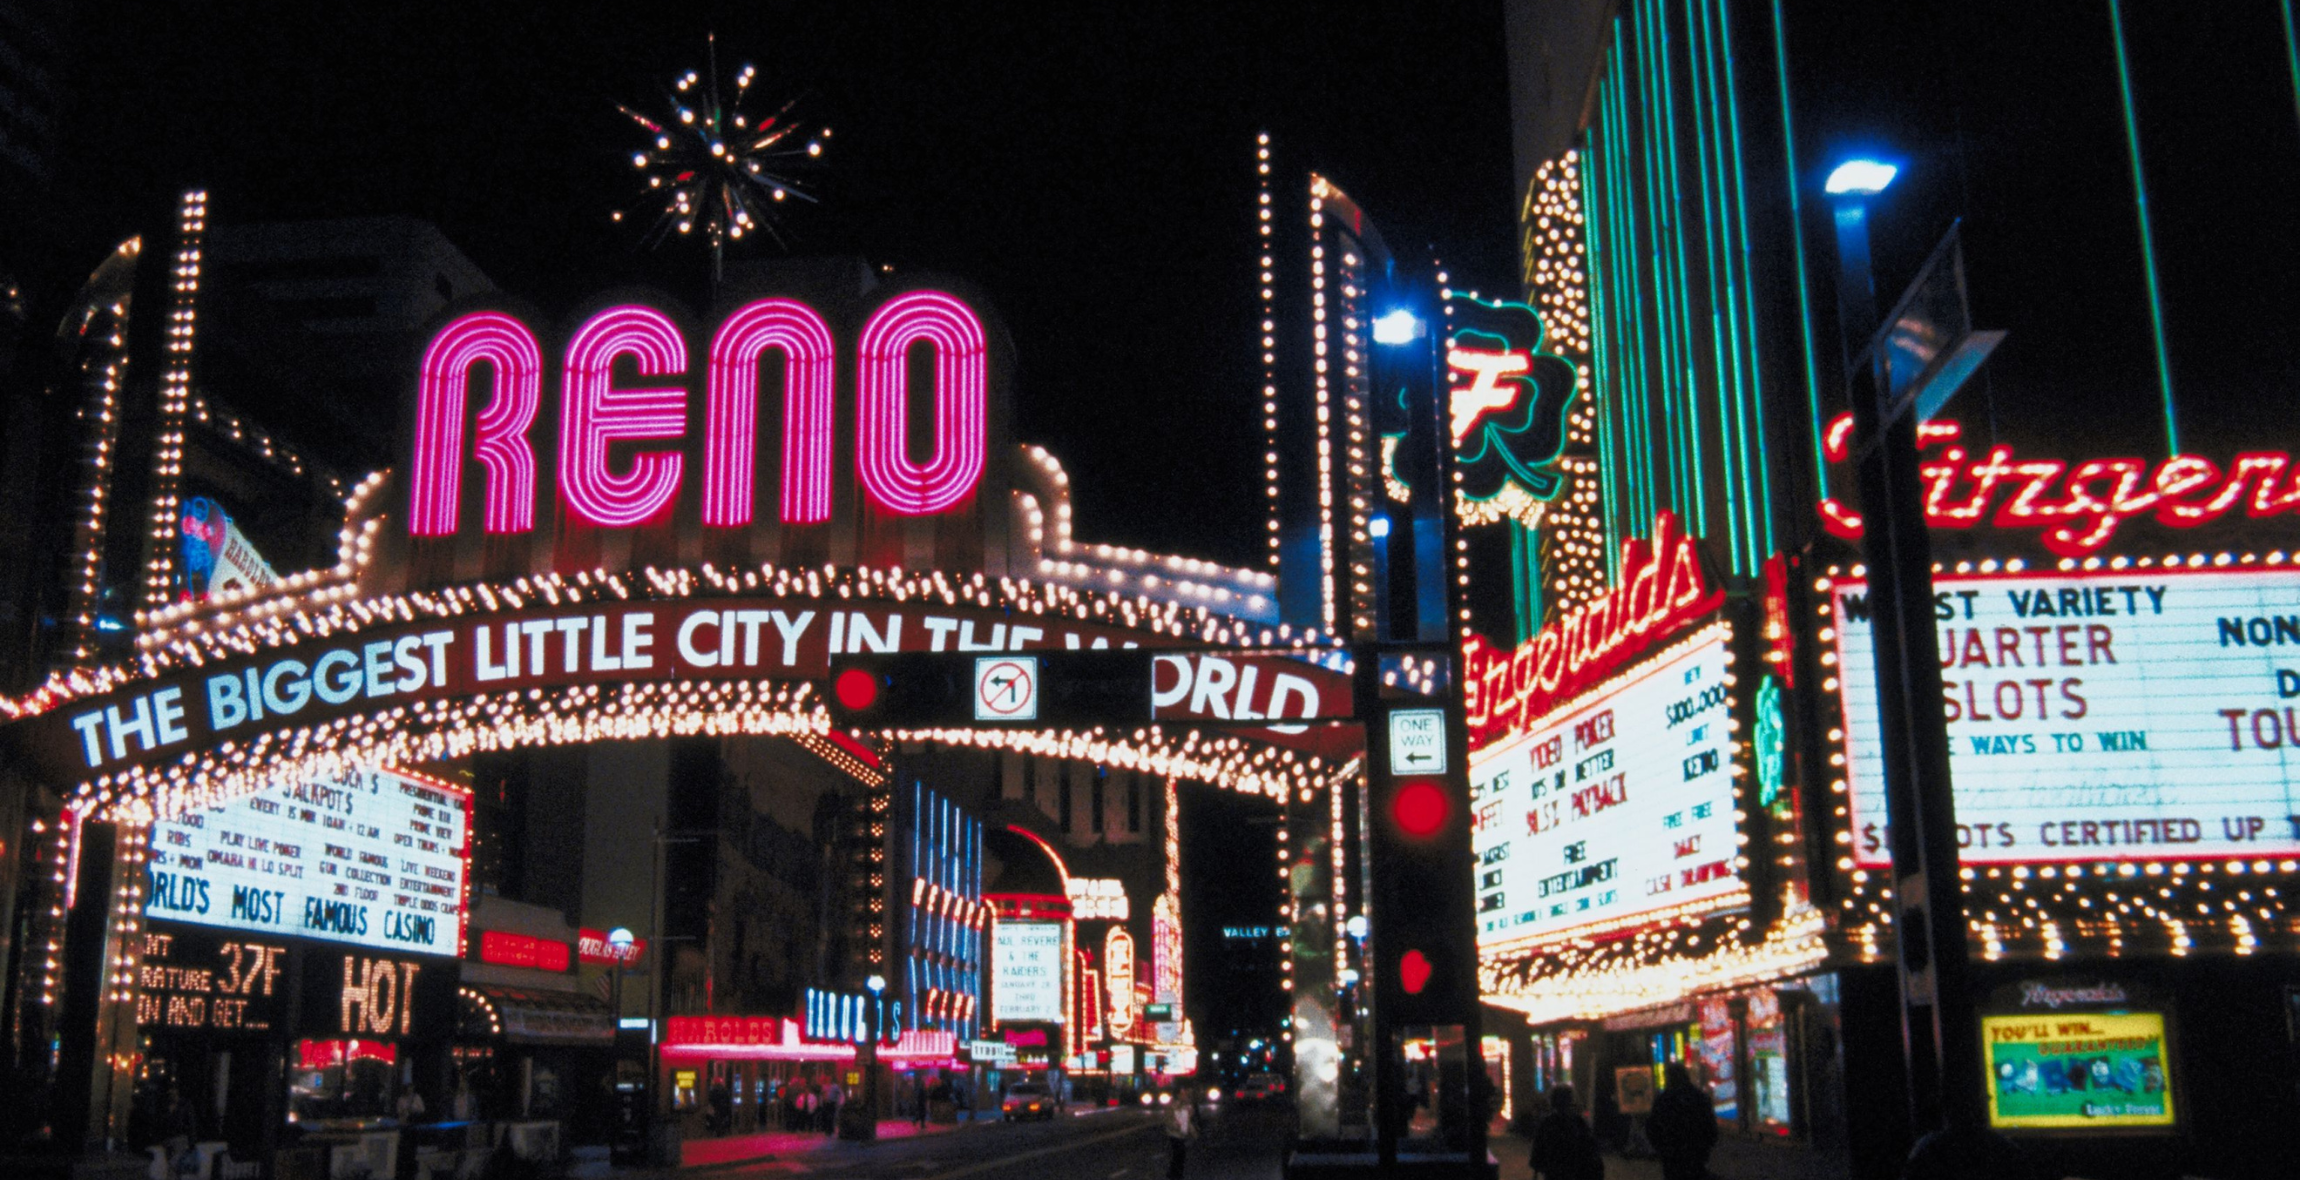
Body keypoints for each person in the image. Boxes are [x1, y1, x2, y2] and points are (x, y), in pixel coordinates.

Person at [1646, 1064, 1719, 1180]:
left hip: (1672, 1154)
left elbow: (1653, 1127)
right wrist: (1706, 1145)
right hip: (1696, 1153)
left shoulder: (1664, 1100)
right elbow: (1710, 1125)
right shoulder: (1699, 1097)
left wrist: (1661, 1148)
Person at [1530, 1085, 1604, 1180]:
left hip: (1553, 1172)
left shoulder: (1547, 1122)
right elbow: (1590, 1148)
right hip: (1575, 1171)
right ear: (1570, 1100)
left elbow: (1538, 1150)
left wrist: (1538, 1166)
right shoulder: (1578, 1122)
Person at [1166, 1085, 1198, 1179]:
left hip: (1182, 1134)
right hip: (1174, 1134)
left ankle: (1175, 1174)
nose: (1185, 1095)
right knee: (1178, 1155)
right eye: (1182, 1094)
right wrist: (1176, 1125)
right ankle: (1175, 1175)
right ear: (1178, 1095)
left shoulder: (1186, 1105)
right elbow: (1168, 1120)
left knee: (1180, 1156)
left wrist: (1193, 1132)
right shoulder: (1172, 1105)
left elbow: (1187, 1120)